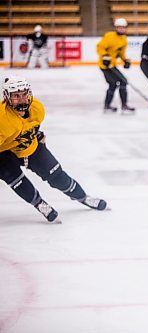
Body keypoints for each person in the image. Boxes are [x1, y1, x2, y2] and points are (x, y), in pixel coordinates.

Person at [0, 76, 107, 223]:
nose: (22, 99)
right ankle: (39, 203)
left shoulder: (37, 108)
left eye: (24, 94)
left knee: (57, 176)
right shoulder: (2, 120)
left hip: (30, 147)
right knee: (15, 179)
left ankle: (83, 197)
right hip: (4, 154)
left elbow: (31, 126)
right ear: (7, 98)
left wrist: (36, 135)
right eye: (16, 96)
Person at [96, 18, 135, 114]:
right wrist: (105, 56)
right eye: (119, 28)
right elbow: (100, 47)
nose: (121, 29)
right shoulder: (109, 36)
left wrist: (125, 60)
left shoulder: (124, 39)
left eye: (123, 28)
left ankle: (108, 106)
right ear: (116, 28)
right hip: (104, 66)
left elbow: (121, 53)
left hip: (112, 65)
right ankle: (123, 105)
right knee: (122, 81)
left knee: (114, 84)